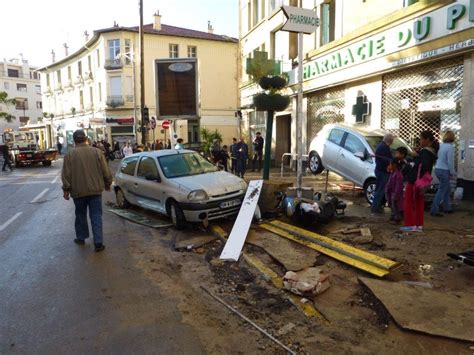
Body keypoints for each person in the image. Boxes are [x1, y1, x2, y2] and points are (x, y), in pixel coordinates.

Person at [61, 130, 113, 252]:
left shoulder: (69, 155)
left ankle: (81, 237)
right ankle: (98, 243)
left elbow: (66, 174)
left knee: (80, 215)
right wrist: (107, 183)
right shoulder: (97, 152)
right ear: (86, 139)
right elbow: (106, 171)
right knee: (96, 216)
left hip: (78, 192)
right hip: (95, 191)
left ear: (74, 140)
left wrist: (66, 189)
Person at [401, 130, 439, 232]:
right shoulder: (431, 152)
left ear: (427, 140)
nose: (420, 141)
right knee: (419, 203)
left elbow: (422, 166)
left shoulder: (424, 152)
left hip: (415, 181)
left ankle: (410, 225)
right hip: (422, 182)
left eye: (421, 139)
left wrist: (415, 158)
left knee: (409, 202)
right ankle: (418, 225)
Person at [430, 131, 456, 216]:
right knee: (442, 190)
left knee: (446, 189)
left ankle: (447, 208)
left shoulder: (440, 146)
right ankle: (434, 210)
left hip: (437, 169)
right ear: (452, 137)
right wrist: (452, 172)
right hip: (444, 170)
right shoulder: (450, 147)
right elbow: (450, 161)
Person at [371, 133, 394, 213]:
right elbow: (386, 160)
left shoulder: (382, 146)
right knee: (380, 190)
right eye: (392, 140)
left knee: (379, 189)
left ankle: (377, 206)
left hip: (380, 170)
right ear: (390, 140)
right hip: (382, 171)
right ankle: (375, 207)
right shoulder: (384, 147)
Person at [385, 147, 408, 224]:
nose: (389, 166)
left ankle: (397, 219)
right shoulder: (393, 173)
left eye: (391, 164)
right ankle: (393, 217)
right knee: (392, 206)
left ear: (394, 165)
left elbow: (399, 186)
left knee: (396, 207)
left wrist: (396, 194)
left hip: (395, 193)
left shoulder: (398, 175)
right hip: (392, 192)